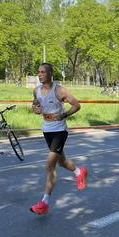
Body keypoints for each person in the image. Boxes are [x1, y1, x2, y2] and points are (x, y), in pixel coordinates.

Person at [30, 63, 88, 215]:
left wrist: (63, 115)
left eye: (42, 72)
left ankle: (44, 203)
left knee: (50, 165)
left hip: (59, 131)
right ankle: (78, 171)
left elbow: (76, 105)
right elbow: (35, 105)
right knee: (62, 162)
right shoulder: (36, 90)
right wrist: (35, 108)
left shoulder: (59, 90)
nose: (39, 74)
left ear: (50, 74)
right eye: (38, 72)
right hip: (46, 130)